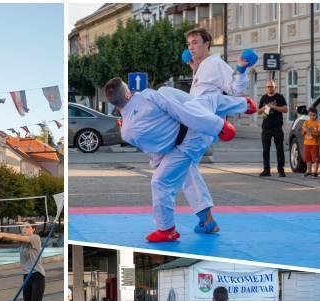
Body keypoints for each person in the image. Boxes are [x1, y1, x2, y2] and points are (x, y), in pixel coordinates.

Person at [103, 77, 249, 242]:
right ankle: (207, 220)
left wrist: (217, 126)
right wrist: (217, 126)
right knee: (205, 101)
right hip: (192, 134)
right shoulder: (148, 96)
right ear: (128, 94)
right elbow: (179, 110)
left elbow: (155, 149)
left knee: (161, 182)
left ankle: (167, 230)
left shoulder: (127, 131)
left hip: (188, 142)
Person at [183, 27, 255, 230]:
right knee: (185, 167)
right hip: (197, 121)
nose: (191, 47)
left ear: (207, 43)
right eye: (189, 44)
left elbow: (234, 89)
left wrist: (241, 69)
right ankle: (206, 219)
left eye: (195, 42)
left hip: (205, 124)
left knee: (183, 165)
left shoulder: (215, 63)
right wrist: (195, 70)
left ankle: (207, 219)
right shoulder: (201, 66)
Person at [257, 80, 289, 177]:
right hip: (266, 127)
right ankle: (266, 169)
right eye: (268, 87)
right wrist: (265, 108)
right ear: (266, 88)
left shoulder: (279, 97)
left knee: (279, 149)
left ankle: (281, 169)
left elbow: (285, 109)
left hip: (277, 127)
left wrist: (274, 107)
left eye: (271, 86)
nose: (270, 88)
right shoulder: (264, 98)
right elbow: (258, 111)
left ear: (275, 87)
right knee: (265, 149)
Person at [301, 108, 320, 178]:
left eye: (313, 115)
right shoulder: (306, 122)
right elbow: (302, 131)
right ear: (308, 115)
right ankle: (309, 171)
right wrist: (305, 130)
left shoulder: (318, 122)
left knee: (315, 159)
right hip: (306, 143)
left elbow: (319, 133)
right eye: (310, 115)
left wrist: (312, 132)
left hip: (314, 144)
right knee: (308, 159)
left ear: (316, 115)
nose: (312, 117)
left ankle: (315, 172)